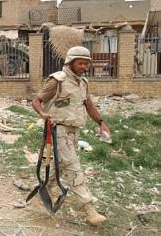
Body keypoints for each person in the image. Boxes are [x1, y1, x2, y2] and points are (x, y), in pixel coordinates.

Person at [32, 46, 111, 226]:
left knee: (58, 165)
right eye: (80, 63)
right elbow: (36, 101)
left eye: (86, 63)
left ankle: (45, 189)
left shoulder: (83, 83)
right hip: (58, 130)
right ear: (70, 62)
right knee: (72, 167)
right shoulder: (56, 81)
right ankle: (89, 209)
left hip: (74, 132)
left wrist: (101, 122)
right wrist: (43, 114)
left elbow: (89, 105)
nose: (84, 66)